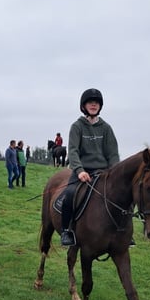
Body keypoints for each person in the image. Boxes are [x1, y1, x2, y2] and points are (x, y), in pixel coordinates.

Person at [60, 88, 120, 246]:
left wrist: (114, 173)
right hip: (82, 171)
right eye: (90, 102)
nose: (94, 105)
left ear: (100, 106)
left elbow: (113, 153)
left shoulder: (106, 128)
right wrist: (80, 171)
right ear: (83, 106)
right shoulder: (77, 126)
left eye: (96, 103)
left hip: (103, 172)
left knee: (122, 195)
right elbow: (73, 151)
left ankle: (122, 231)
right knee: (69, 194)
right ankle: (66, 231)